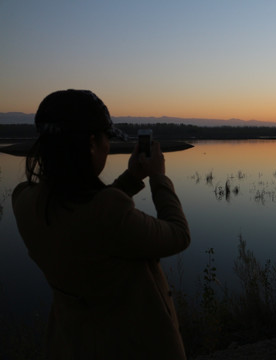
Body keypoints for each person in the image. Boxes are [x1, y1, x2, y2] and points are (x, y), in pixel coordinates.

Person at [11, 89, 191, 359]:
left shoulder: (24, 200)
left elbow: (88, 214)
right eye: (107, 138)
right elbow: (178, 234)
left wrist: (131, 177)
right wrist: (158, 178)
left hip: (71, 344)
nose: (108, 147)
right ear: (92, 143)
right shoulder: (107, 213)